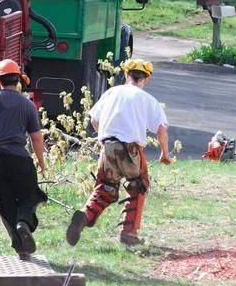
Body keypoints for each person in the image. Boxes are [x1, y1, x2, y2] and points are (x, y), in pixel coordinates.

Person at [66, 58, 171, 247]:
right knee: (139, 185)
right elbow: (161, 130)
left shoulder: (111, 93)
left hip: (108, 145)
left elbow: (94, 121)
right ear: (146, 79)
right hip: (130, 149)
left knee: (105, 188)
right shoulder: (147, 99)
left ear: (126, 74)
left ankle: (85, 215)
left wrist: (104, 138)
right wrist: (165, 153)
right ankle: (129, 234)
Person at [0, 58, 47, 260]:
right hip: (19, 159)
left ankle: (21, 247)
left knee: (5, 202)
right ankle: (24, 223)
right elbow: (37, 138)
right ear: (19, 79)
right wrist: (41, 162)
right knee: (31, 196)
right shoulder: (27, 104)